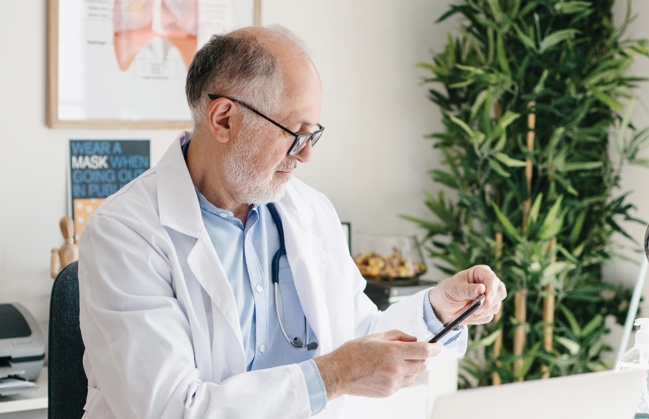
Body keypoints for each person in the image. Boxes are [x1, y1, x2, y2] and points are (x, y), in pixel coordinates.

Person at [78, 25, 506, 419]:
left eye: (313, 133)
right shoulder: (125, 233)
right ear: (223, 119)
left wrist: (438, 311)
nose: (306, 155)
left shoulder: (309, 211)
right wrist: (332, 376)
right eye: (295, 133)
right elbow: (173, 409)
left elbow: (358, 337)